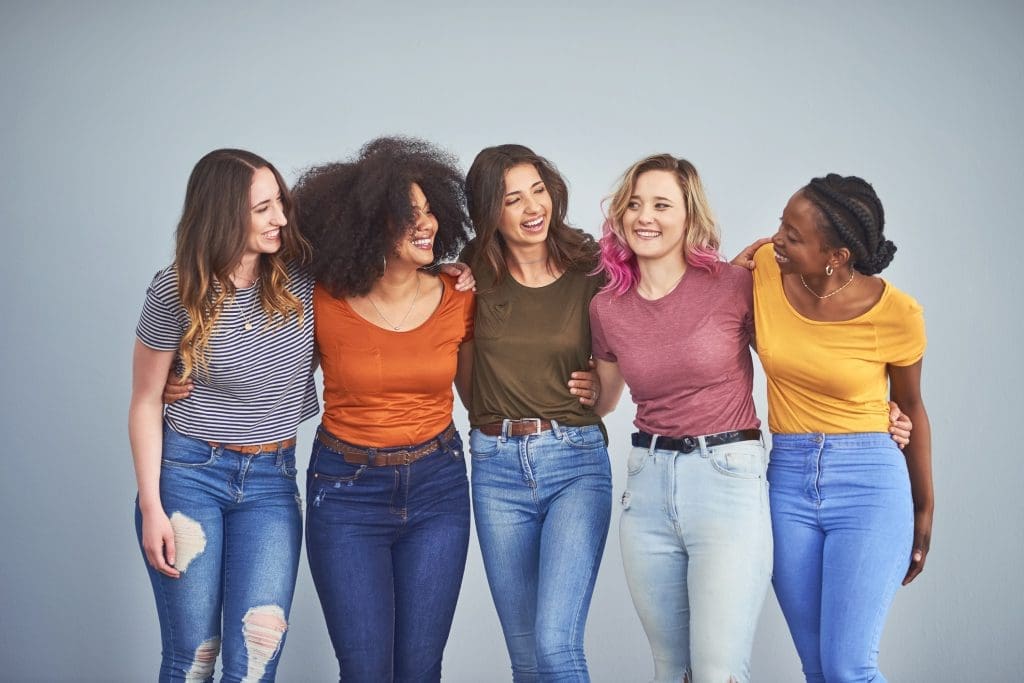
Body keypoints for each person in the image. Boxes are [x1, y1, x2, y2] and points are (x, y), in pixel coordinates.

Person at [292, 137, 476, 683]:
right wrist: (180, 375)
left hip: (438, 487)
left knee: (420, 671)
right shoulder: (319, 297)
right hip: (347, 492)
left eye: (429, 210)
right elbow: (239, 319)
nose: (428, 225)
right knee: (366, 671)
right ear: (369, 226)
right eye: (408, 215)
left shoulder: (459, 293)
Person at [129, 148, 316, 682]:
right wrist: (151, 508)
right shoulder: (176, 288)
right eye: (263, 208)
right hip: (190, 478)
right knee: (194, 658)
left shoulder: (304, 276)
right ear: (222, 213)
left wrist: (454, 268)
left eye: (279, 202)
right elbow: (145, 400)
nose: (280, 217)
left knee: (255, 660)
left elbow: (385, 262)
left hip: (271, 484)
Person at [589, 154, 770, 683]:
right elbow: (606, 401)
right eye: (634, 204)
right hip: (646, 485)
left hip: (727, 478)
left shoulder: (734, 283)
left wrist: (881, 407)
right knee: (672, 671)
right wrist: (582, 390)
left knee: (717, 671)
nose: (645, 216)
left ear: (689, 216)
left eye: (661, 205)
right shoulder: (607, 307)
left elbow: (794, 362)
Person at [752, 174, 932, 682]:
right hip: (786, 479)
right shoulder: (765, 269)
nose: (776, 238)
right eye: (782, 224)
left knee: (848, 667)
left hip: (869, 480)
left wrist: (924, 507)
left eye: (793, 234)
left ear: (837, 255)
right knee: (816, 668)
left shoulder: (898, 313)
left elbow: (912, 407)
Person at [460, 144, 609, 682]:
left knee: (555, 644)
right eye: (512, 199)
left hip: (575, 462)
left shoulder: (590, 267)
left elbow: (647, 319)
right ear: (489, 213)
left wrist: (604, 387)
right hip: (495, 467)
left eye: (538, 190)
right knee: (525, 658)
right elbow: (465, 379)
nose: (531, 208)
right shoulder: (471, 276)